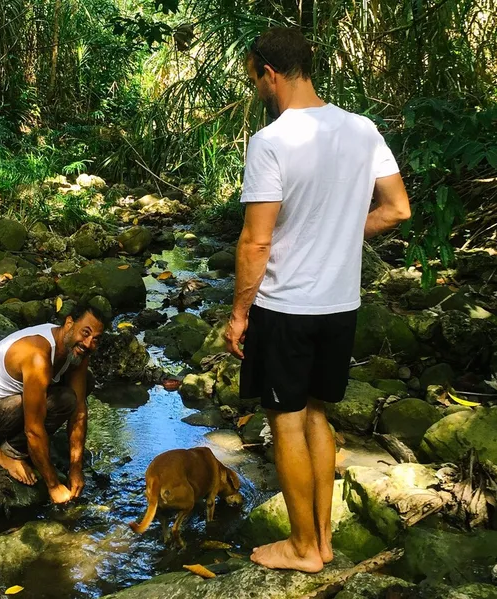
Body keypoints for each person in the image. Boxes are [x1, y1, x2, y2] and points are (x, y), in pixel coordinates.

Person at [224, 27, 411, 572]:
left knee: (285, 420)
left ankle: (303, 548)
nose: (256, 88)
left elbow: (256, 241)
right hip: (340, 305)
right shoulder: (362, 129)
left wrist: (239, 314)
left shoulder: (271, 141)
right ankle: (323, 541)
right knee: (316, 416)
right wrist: (342, 235)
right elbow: (397, 208)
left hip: (286, 307)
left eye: (254, 78)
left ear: (269, 73)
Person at [0, 304, 106, 505]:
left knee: (84, 384)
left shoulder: (77, 350)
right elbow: (33, 429)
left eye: (96, 339)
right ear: (69, 323)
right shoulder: (38, 355)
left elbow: (79, 411)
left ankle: (18, 446)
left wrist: (76, 468)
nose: (88, 343)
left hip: (11, 401)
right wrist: (53, 485)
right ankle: (8, 452)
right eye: (85, 333)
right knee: (64, 400)